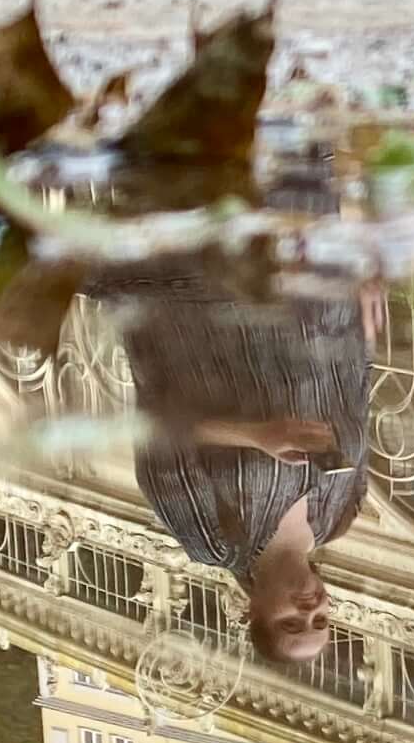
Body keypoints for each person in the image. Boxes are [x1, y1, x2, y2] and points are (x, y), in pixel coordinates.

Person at [115, 278, 380, 665]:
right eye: (321, 620)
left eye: (291, 623)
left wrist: (255, 435)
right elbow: (354, 391)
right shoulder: (340, 518)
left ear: (253, 610)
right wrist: (360, 319)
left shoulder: (215, 541)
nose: (309, 610)